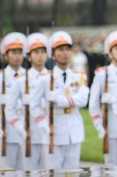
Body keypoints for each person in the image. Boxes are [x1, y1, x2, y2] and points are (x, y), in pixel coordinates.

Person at [36, 31, 89, 170]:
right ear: (53, 54)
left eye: (67, 49)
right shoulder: (44, 78)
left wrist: (59, 100)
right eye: (60, 50)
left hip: (74, 131)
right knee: (54, 172)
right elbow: (34, 105)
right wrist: (43, 125)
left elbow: (83, 100)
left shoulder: (79, 76)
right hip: (53, 130)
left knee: (72, 172)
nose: (65, 53)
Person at [0, 32, 28, 171]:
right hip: (7, 132)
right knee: (7, 171)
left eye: (19, 53)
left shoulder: (30, 76)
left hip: (25, 130)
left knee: (27, 171)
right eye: (13, 53)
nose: (17, 57)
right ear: (6, 56)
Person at [89, 30, 117, 166]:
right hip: (110, 125)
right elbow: (93, 104)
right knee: (111, 165)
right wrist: (99, 126)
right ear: (110, 53)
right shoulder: (102, 74)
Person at [12, 32, 51, 171]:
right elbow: (9, 109)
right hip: (29, 131)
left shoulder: (54, 78)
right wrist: (20, 129)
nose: (40, 56)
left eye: (42, 52)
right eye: (36, 52)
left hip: (49, 132)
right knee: (30, 171)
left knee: (50, 171)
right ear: (29, 56)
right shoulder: (21, 79)